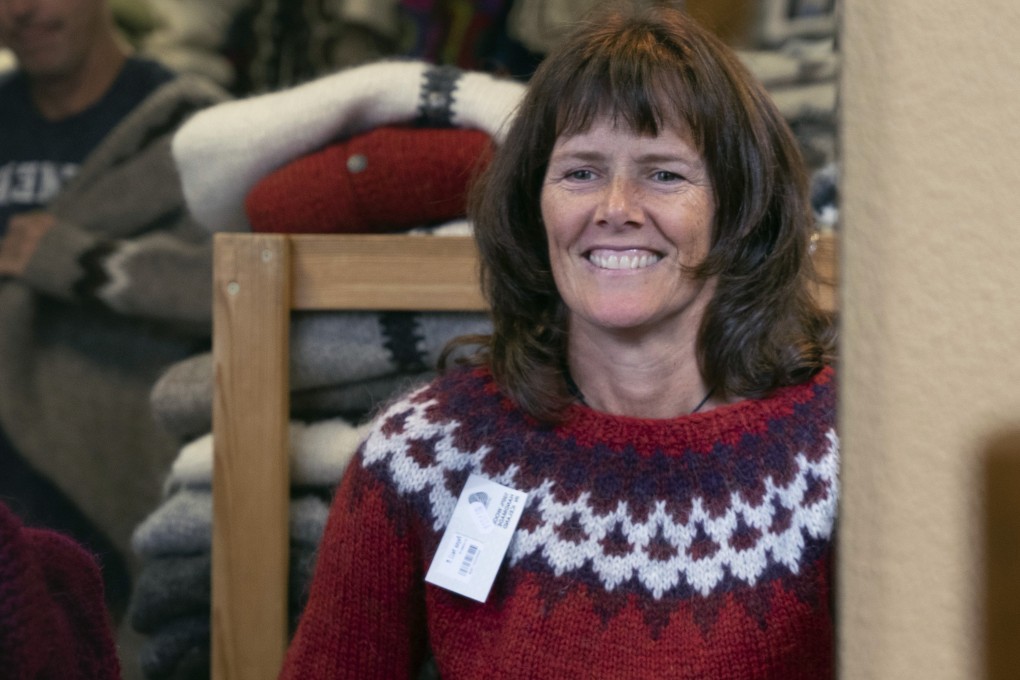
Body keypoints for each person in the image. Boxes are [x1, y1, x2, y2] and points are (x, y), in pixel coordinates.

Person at [281, 4, 838, 679]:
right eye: (580, 172)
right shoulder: (426, 454)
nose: (615, 208)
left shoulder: (842, 454)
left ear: (740, 209)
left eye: (664, 173)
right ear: (531, 202)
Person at [0, 0, 227, 623]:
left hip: (120, 473)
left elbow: (237, 286)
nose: (25, 10)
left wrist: (81, 262)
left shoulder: (185, 123)